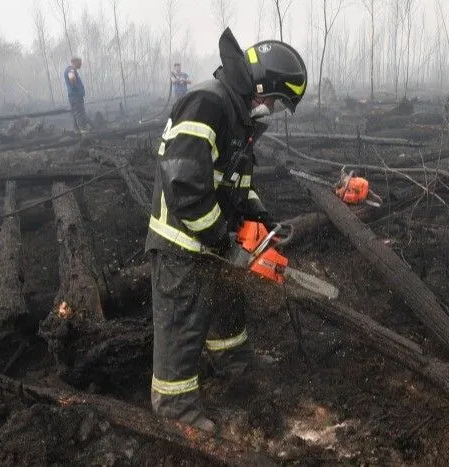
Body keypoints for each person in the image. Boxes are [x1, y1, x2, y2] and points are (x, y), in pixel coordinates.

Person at [145, 28, 307, 432]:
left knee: (226, 304)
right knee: (183, 322)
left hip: (214, 240)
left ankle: (233, 365)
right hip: (182, 242)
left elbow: (236, 186)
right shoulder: (207, 104)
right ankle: (175, 406)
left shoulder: (237, 115)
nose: (273, 109)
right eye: (276, 101)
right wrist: (222, 240)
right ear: (261, 86)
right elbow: (186, 187)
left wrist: (263, 218)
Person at [64, 57, 91, 132]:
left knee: (75, 113)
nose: (81, 64)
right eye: (80, 62)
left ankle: (77, 131)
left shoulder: (71, 70)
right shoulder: (70, 69)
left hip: (74, 96)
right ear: (74, 62)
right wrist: (77, 89)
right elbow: (72, 78)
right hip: (76, 96)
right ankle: (83, 130)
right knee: (80, 113)